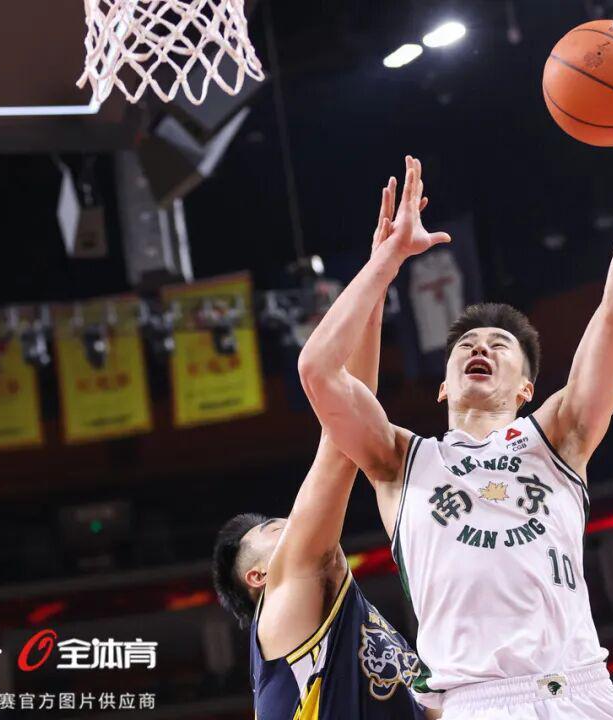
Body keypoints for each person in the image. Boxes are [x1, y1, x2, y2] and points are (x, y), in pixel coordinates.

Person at [298, 51, 613, 719]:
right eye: (466, 346)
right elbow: (318, 372)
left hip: (585, 691)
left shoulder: (561, 436)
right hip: (479, 703)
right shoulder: (399, 461)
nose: (480, 347)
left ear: (527, 387)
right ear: (442, 388)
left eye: (500, 346)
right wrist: (385, 263)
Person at [212, 184, 438, 719]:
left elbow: (351, 412)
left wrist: (380, 286)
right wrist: (383, 266)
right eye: (277, 529)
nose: (295, 523)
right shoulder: (285, 598)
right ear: (259, 577)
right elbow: (339, 437)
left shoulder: (346, 621)